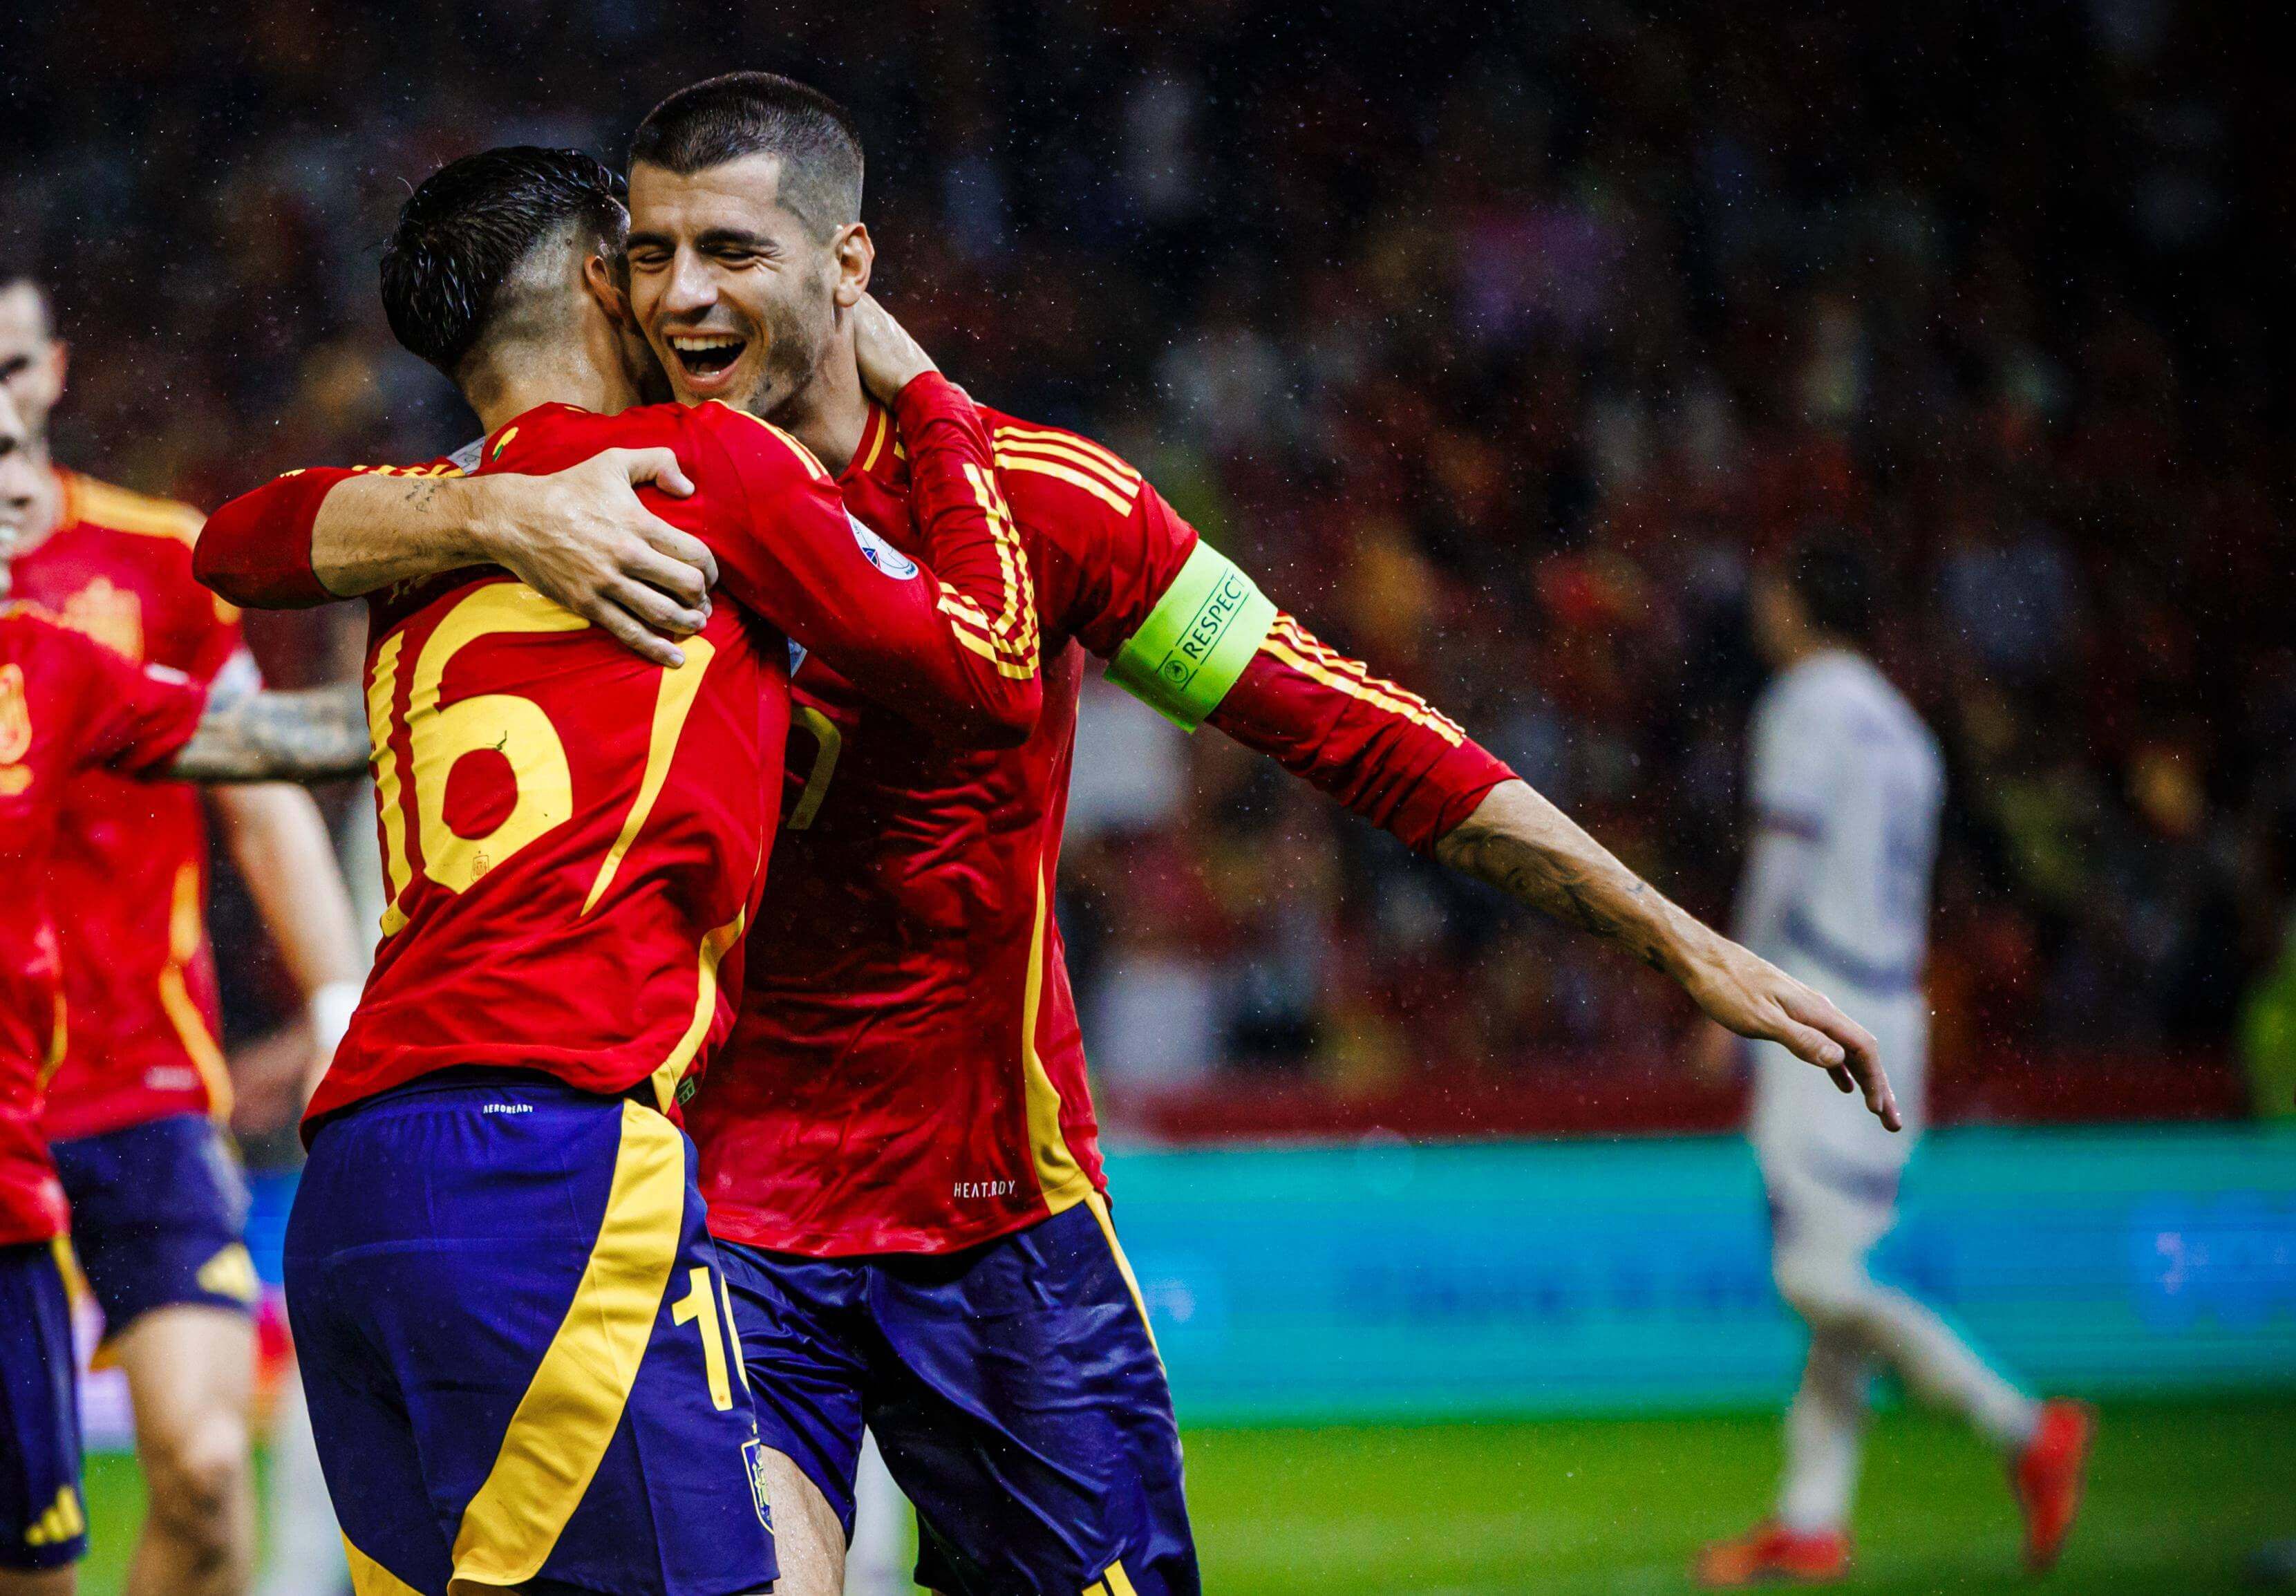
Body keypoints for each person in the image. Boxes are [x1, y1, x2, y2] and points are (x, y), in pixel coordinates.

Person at [198, 75, 1894, 1596]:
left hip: (990, 1214)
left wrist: (1674, 934)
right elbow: (262, 537)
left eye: (728, 250)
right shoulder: (578, 504)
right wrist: (487, 499)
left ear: (845, 266)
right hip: (709, 1216)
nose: (681, 292)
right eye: (646, 254)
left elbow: (1356, 729)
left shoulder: (1045, 504)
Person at [195, 144, 1044, 1596]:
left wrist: (490, 504)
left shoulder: (410, 528)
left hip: (356, 1190)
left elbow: (238, 538)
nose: (678, 289)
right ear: (603, 280)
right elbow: (989, 669)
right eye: (646, 257)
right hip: (555, 1155)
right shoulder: (705, 466)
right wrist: (933, 400)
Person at [0, 274, 366, 1596]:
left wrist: (335, 1003)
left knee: (208, 1471)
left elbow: (262, 793)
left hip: (136, 1084)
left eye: (9, 367)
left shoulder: (158, 558)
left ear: (50, 372)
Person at [1691, 532, 2092, 1587]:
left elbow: (1785, 851)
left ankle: (2025, 1427)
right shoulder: (1907, 731)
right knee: (1838, 1272)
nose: (1763, 612)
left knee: (1810, 1274)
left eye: (1773, 592)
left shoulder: (1801, 706)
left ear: (1796, 603)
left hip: (1813, 1000)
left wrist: (1721, 978)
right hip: (1889, 1015)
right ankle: (1810, 1516)